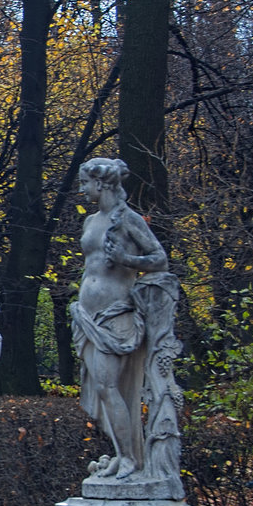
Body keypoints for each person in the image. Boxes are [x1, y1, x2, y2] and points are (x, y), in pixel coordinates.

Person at [71, 157, 169, 481]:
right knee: (101, 389)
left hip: (116, 314)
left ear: (101, 183)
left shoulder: (127, 219)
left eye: (85, 182)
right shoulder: (90, 222)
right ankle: (120, 454)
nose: (82, 189)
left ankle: (130, 459)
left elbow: (159, 258)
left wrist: (127, 259)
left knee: (108, 385)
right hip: (89, 316)